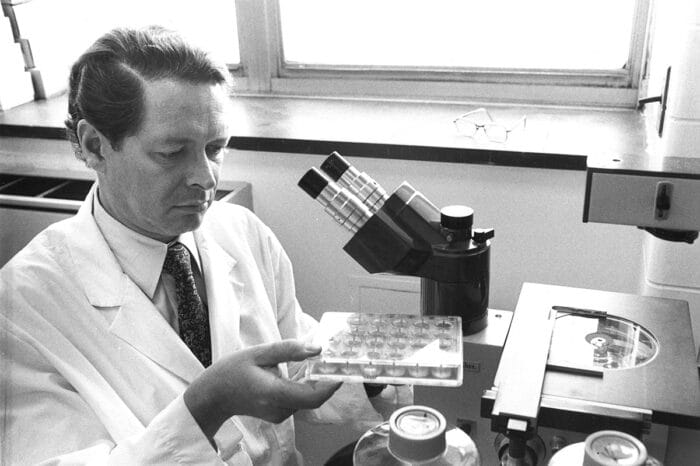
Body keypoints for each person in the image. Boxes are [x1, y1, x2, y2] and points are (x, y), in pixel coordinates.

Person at [0, 26, 386, 465]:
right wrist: (205, 406)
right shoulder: (21, 306)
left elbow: (293, 349)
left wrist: (374, 367)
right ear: (94, 146)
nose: (206, 178)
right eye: (171, 152)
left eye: (216, 147)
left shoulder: (242, 232)